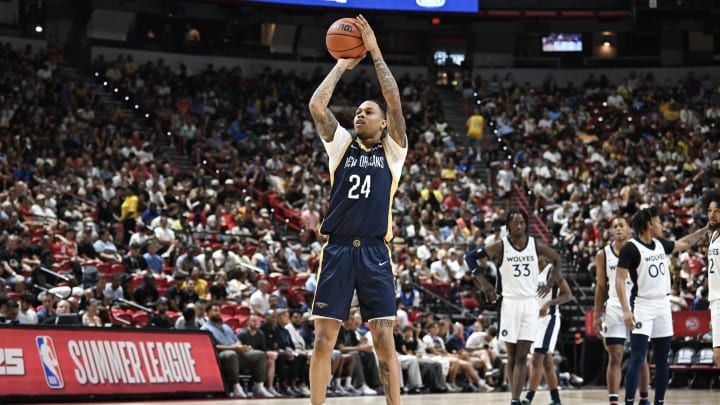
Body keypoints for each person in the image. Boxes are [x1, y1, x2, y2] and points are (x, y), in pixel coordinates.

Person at [307, 14, 406, 405]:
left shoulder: (393, 152)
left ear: (384, 124)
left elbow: (394, 101)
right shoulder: (342, 146)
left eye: (368, 112)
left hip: (375, 254)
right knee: (323, 339)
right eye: (358, 111)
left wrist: (375, 51)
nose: (359, 114)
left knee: (383, 339)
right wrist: (341, 64)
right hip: (337, 250)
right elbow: (317, 104)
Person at [465, 208, 563, 405]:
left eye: (522, 222)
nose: (519, 226)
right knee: (511, 355)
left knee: (522, 354)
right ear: (508, 225)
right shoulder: (501, 246)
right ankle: (514, 395)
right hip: (509, 303)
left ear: (526, 225)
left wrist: (553, 278)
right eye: (515, 222)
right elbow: (469, 257)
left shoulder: (535, 245)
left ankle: (516, 400)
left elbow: (557, 258)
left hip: (530, 303)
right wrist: (484, 283)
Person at [616, 206, 708, 405]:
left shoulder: (659, 244)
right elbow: (619, 280)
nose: (661, 225)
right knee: (638, 356)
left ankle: (658, 402)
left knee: (662, 359)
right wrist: (626, 310)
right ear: (649, 224)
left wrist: (705, 230)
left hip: (663, 305)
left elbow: (683, 243)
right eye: (658, 221)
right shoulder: (630, 248)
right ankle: (629, 402)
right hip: (642, 305)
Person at [593, 216, 650, 405]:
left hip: (637, 305)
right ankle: (613, 400)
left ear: (629, 229)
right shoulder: (603, 254)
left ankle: (643, 398)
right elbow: (601, 287)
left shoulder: (639, 249)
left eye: (621, 225)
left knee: (639, 355)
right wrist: (596, 316)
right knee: (615, 355)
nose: (618, 229)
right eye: (614, 226)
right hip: (614, 307)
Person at [522, 256, 572, 405]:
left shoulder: (552, 271)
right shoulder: (528, 273)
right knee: (547, 362)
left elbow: (568, 295)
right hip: (534, 321)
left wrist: (549, 303)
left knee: (538, 357)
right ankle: (556, 399)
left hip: (549, 319)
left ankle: (528, 398)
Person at [201, 302, 273, 398]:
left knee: (260, 354)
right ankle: (236, 386)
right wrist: (233, 348)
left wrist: (241, 346)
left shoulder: (226, 326)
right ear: (208, 313)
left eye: (219, 311)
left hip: (236, 351)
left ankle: (259, 386)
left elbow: (237, 340)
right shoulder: (205, 328)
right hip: (220, 355)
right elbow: (212, 346)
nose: (218, 313)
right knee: (231, 354)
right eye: (214, 311)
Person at [702, 189, 720, 366]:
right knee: (718, 356)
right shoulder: (713, 235)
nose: (712, 215)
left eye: (717, 211)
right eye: (709, 211)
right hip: (715, 301)